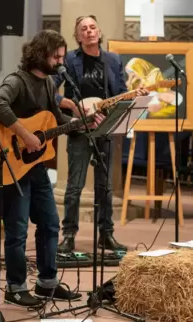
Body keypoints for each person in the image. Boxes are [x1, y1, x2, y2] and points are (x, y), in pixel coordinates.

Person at [0, 29, 99, 305]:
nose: (60, 62)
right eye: (56, 56)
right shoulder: (17, 81)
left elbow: (53, 118)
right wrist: (25, 135)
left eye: (62, 56)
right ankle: (15, 288)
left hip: (36, 167)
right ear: (40, 54)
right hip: (13, 166)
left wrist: (82, 123)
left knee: (50, 224)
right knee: (16, 229)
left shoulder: (50, 83)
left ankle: (46, 282)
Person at [53, 15, 148, 254]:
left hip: (105, 130)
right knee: (74, 187)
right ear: (77, 36)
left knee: (104, 187)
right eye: (83, 29)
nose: (88, 31)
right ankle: (69, 236)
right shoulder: (69, 60)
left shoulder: (113, 60)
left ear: (99, 31)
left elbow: (121, 92)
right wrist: (73, 107)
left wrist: (134, 97)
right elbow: (48, 91)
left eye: (92, 27)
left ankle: (106, 235)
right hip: (79, 130)